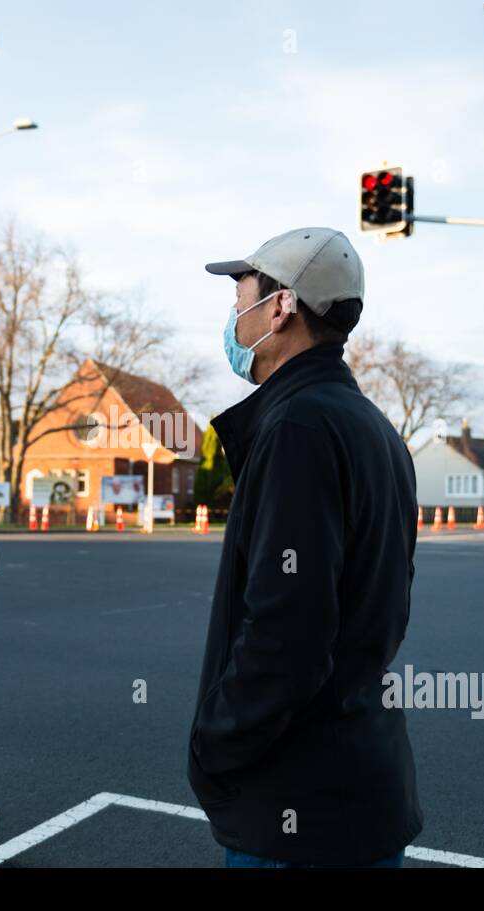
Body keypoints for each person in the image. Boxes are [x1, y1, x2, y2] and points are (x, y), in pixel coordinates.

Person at [186, 227, 422, 868]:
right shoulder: (373, 428)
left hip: (296, 815)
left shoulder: (297, 428)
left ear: (282, 307)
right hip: (361, 794)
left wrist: (214, 748)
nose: (235, 314)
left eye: (243, 295)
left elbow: (287, 636)